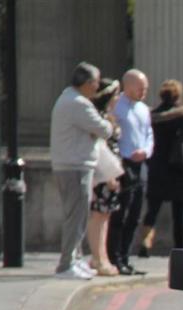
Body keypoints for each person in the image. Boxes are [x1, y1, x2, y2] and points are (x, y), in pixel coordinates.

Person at [49, 62, 114, 279]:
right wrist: (106, 124)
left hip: (69, 165)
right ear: (87, 83)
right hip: (75, 166)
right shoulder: (79, 104)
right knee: (76, 216)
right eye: (96, 82)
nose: (98, 87)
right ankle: (66, 264)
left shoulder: (67, 99)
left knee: (75, 215)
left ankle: (75, 259)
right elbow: (105, 130)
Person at [138, 79, 183, 258]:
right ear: (178, 96)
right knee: (178, 214)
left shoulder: (152, 118)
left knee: (152, 211)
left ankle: (145, 243)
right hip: (179, 170)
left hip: (157, 170)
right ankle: (179, 248)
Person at [108, 68, 153, 275]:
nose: (143, 91)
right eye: (139, 87)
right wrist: (127, 154)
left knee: (135, 214)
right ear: (127, 86)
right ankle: (114, 258)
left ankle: (125, 257)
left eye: (145, 87)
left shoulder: (143, 109)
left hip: (140, 164)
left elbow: (148, 134)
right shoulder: (117, 107)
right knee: (120, 214)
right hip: (123, 163)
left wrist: (145, 151)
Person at [87, 77, 124, 276]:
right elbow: (99, 149)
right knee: (98, 215)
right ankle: (98, 258)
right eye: (116, 94)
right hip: (102, 174)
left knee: (106, 215)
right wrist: (109, 176)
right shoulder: (97, 118)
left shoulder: (107, 116)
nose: (117, 98)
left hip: (111, 172)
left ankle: (102, 257)